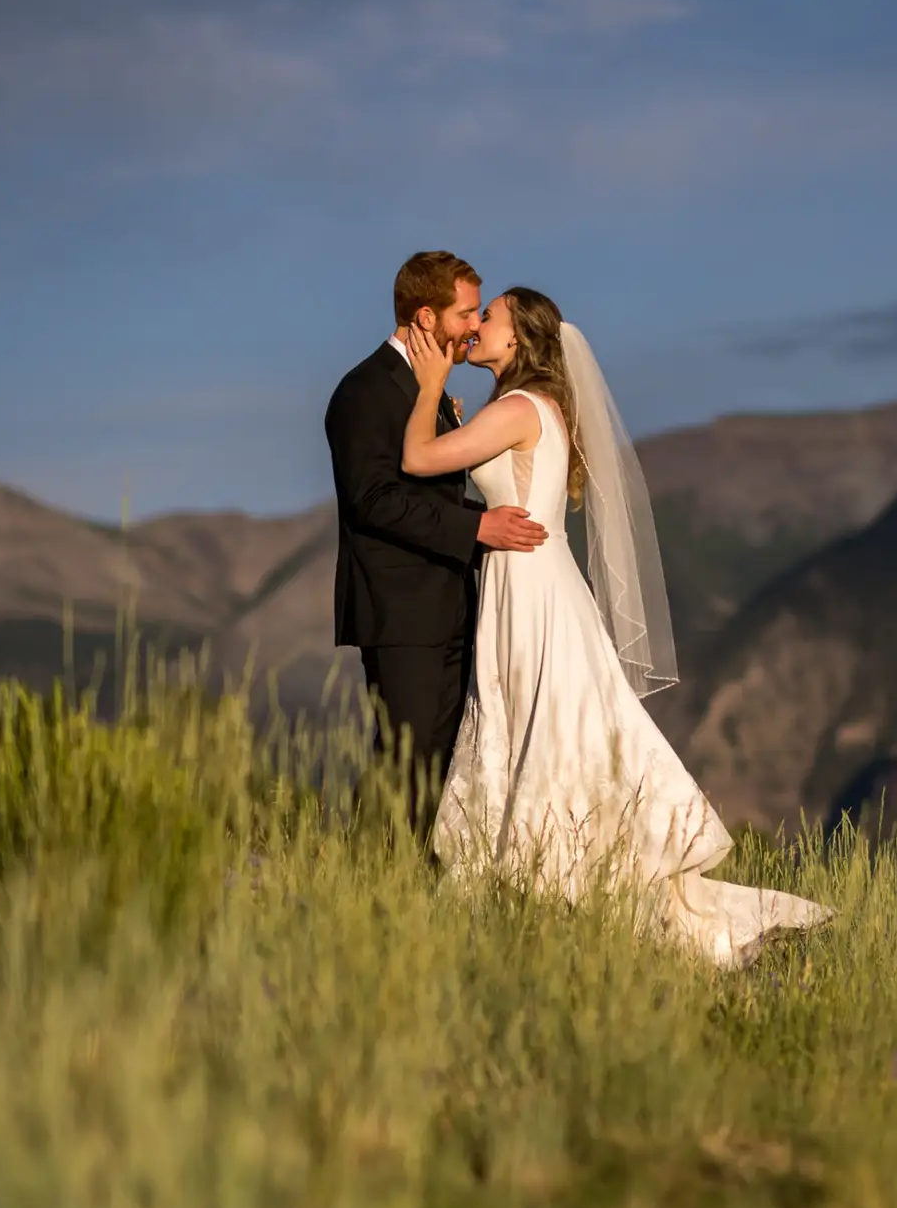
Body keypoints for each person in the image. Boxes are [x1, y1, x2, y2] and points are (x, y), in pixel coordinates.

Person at [398, 285, 833, 967]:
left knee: (545, 732)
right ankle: (544, 884)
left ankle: (547, 881)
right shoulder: (524, 406)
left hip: (531, 592)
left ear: (518, 340)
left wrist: (428, 385)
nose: (478, 325)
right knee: (541, 730)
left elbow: (419, 460)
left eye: (492, 317)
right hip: (527, 584)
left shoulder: (518, 408)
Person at [324, 251, 549, 843]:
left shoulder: (433, 390)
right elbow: (372, 499)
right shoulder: (365, 390)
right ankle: (367, 888)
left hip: (452, 606)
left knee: (441, 766)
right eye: (467, 312)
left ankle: (414, 893)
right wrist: (477, 528)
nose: (475, 326)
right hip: (400, 611)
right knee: (405, 761)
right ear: (426, 317)